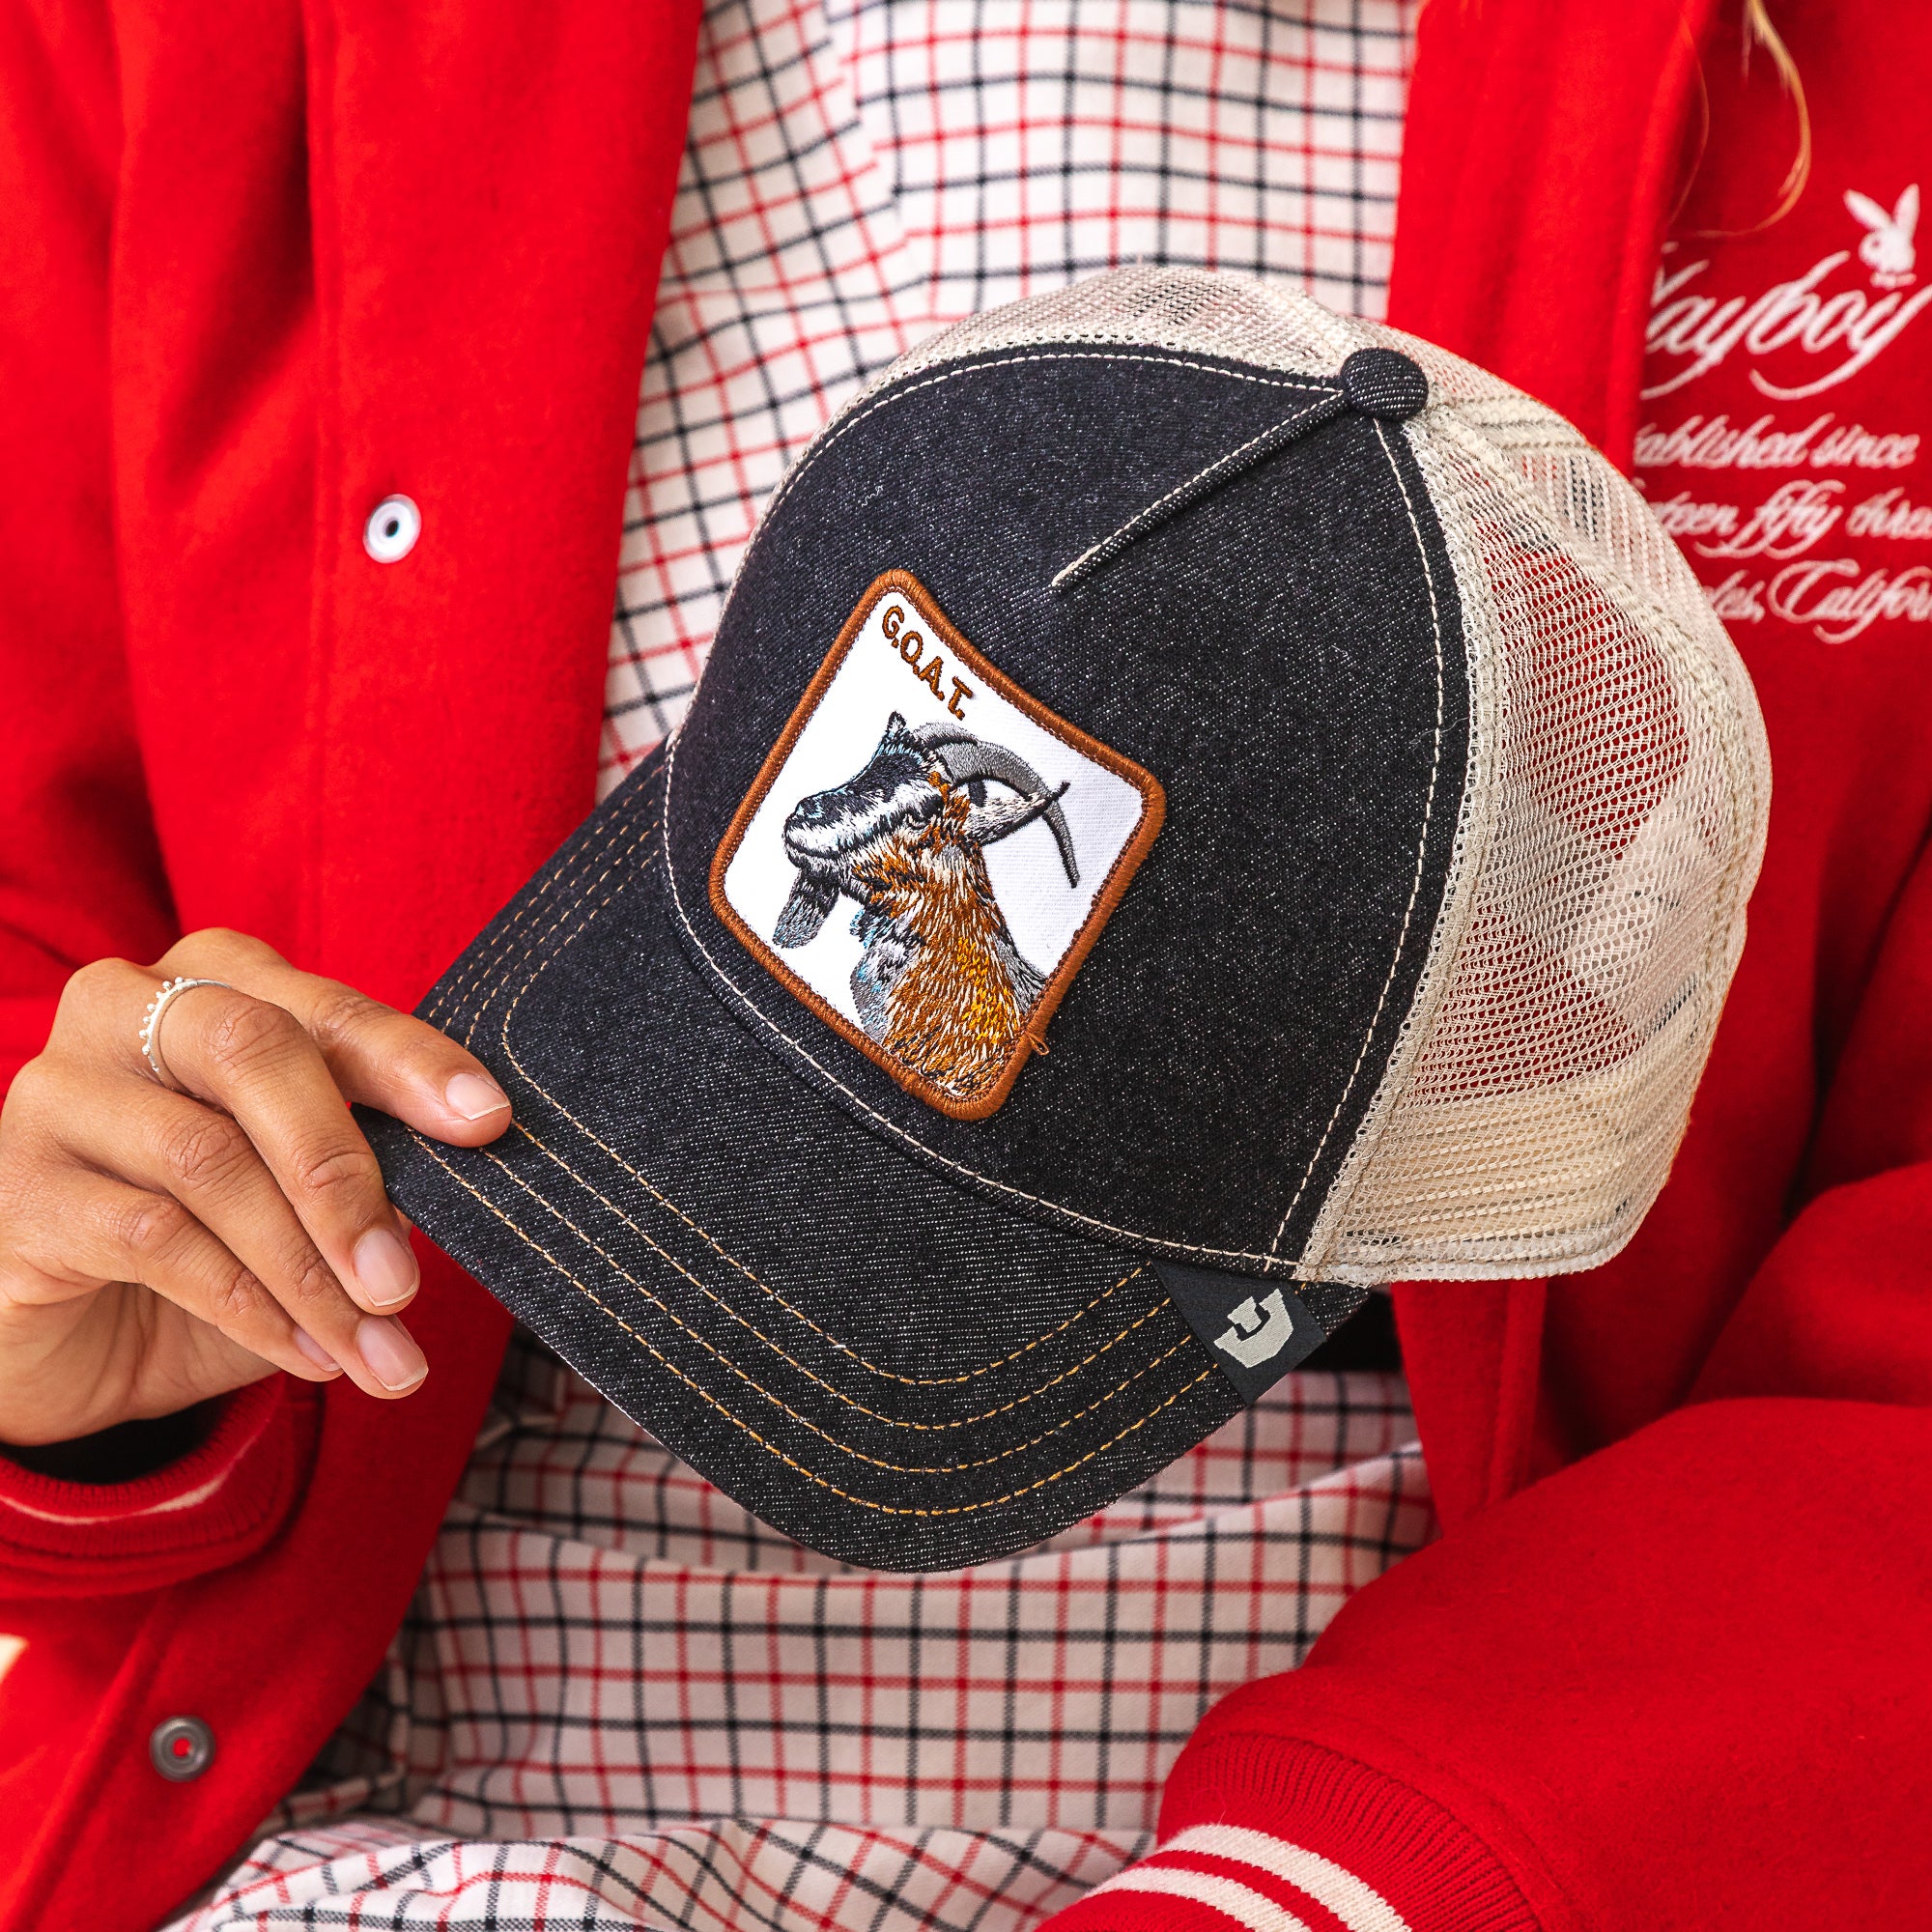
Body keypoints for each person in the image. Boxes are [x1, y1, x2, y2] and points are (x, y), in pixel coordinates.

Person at [2, 1, 1929, 1927]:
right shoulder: (190, 40)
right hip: (372, 1847)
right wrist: (64, 1340)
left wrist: (1360, 1883)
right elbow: (45, 971)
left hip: (1423, 1846)